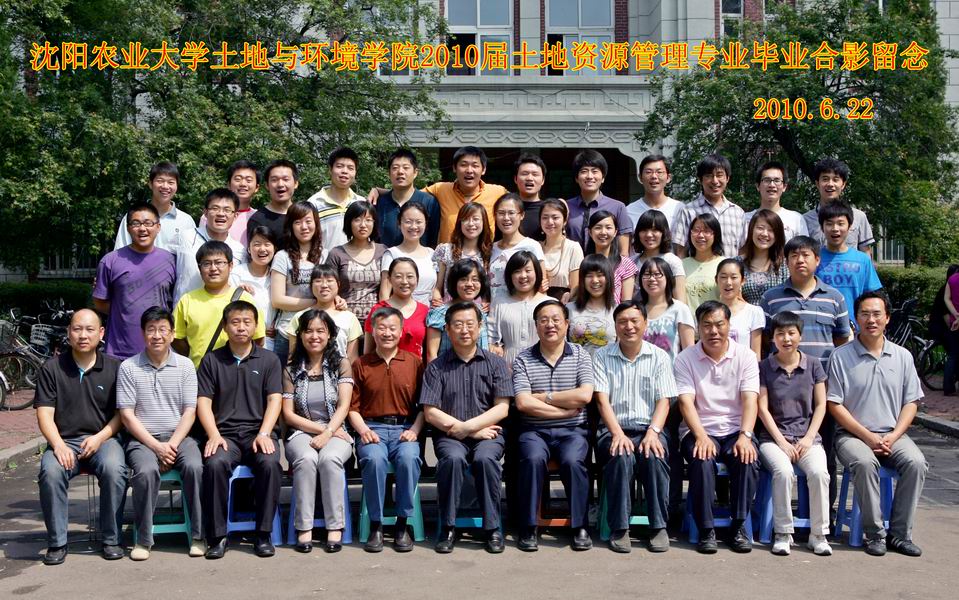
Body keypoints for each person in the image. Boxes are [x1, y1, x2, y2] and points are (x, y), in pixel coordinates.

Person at [760, 235, 851, 531]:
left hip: (821, 391)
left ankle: (822, 519)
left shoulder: (834, 298)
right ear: (786, 261)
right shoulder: (771, 298)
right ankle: (780, 522)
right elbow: (764, 340)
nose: (800, 260)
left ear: (817, 260)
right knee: (780, 458)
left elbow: (841, 340)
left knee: (823, 457)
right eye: (794, 256)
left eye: (806, 255)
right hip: (780, 391)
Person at [827, 291, 928, 557]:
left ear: (887, 318)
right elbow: (835, 405)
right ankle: (875, 534)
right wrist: (867, 436)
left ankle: (900, 535)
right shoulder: (841, 356)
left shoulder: (903, 356)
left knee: (916, 463)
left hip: (893, 434)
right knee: (864, 463)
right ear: (856, 318)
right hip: (852, 436)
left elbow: (911, 402)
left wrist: (894, 435)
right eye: (864, 314)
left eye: (876, 314)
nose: (871, 320)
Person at [35, 310, 126, 565]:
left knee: (115, 469)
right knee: (50, 472)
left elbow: (121, 415)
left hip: (104, 439)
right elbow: (44, 414)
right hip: (64, 441)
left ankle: (111, 539)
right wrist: (58, 445)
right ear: (68, 332)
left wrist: (100, 438)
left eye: (89, 329)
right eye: (77, 329)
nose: (83, 335)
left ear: (101, 333)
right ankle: (57, 542)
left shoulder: (115, 368)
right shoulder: (52, 368)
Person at [420, 301, 512, 554]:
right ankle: (448, 527)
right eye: (458, 325)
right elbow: (430, 412)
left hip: (489, 434)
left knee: (485, 460)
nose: (464, 330)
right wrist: (466, 430)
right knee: (452, 460)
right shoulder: (436, 367)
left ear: (480, 327)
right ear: (447, 329)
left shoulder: (495, 363)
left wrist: (469, 428)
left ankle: (492, 527)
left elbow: (502, 408)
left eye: (470, 324)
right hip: (450, 435)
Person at [197, 300, 283, 559]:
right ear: (225, 327)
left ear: (256, 326)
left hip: (259, 432)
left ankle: (263, 534)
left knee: (270, 463)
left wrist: (265, 433)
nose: (241, 327)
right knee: (214, 464)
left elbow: (275, 399)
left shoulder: (269, 360)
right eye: (235, 322)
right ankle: (217, 536)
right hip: (225, 436)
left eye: (247, 322)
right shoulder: (212, 360)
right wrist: (213, 434)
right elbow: (203, 402)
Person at [118, 306, 204, 560]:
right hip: (143, 440)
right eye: (151, 330)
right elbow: (127, 415)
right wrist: (157, 447)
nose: (157, 335)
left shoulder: (185, 366)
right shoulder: (128, 367)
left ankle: (199, 536)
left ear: (172, 333)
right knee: (145, 472)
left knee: (195, 467)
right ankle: (144, 540)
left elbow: (190, 411)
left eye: (163, 329)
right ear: (143, 333)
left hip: (179, 437)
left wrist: (171, 446)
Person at [675, 300, 760, 554]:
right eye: (707, 325)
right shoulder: (685, 358)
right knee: (702, 459)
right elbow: (685, 402)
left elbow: (750, 400)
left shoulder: (745, 356)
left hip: (736, 429)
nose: (713, 331)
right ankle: (706, 528)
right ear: (698, 328)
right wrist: (701, 436)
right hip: (699, 428)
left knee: (747, 458)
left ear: (729, 325)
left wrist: (745, 435)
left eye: (719, 324)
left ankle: (739, 525)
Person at [593, 300, 675, 553]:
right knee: (621, 455)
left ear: (645, 324)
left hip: (650, 428)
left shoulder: (659, 356)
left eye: (634, 321)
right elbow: (602, 401)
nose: (628, 326)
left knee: (654, 455)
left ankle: (658, 526)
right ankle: (619, 527)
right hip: (613, 429)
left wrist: (653, 432)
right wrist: (617, 433)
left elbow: (664, 401)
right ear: (615, 326)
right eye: (622, 322)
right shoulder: (602, 356)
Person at [513, 300, 595, 552]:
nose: (550, 325)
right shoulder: (523, 358)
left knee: (573, 461)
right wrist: (564, 410)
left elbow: (584, 395)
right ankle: (528, 526)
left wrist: (545, 397)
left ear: (566, 324)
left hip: (573, 431)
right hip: (534, 431)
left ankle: (580, 526)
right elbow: (523, 403)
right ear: (536, 326)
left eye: (556, 319)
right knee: (532, 459)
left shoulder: (580, 354)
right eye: (544, 320)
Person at [349, 306, 425, 553]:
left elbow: (425, 406)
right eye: (381, 328)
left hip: (405, 428)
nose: (387, 333)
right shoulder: (361, 364)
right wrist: (363, 431)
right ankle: (376, 524)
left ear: (401, 331)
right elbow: (351, 407)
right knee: (373, 460)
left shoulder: (414, 363)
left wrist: (415, 430)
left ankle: (403, 524)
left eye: (392, 328)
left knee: (409, 458)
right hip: (372, 428)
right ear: (372, 331)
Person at [755, 311, 831, 556]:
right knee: (784, 472)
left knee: (819, 473)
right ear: (772, 338)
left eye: (791, 333)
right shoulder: (764, 367)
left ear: (800, 335)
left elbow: (821, 405)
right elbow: (762, 409)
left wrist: (808, 438)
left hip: (808, 439)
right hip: (773, 440)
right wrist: (782, 442)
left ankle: (818, 535)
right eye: (780, 334)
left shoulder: (814, 365)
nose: (786, 339)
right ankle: (783, 533)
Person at [281, 309, 355, 554]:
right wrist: (322, 430)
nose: (314, 336)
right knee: (306, 458)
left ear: (330, 334)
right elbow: (289, 415)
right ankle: (304, 527)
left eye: (320, 331)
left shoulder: (341, 364)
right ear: (301, 335)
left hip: (337, 429)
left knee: (330, 458)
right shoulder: (291, 369)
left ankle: (335, 526)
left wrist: (330, 431)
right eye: (309, 331)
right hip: (301, 432)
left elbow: (344, 405)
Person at [636, 257, 695, 516]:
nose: (652, 279)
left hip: (671, 392)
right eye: (647, 274)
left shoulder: (679, 309)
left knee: (669, 447)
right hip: (638, 390)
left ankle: (671, 505)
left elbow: (689, 352)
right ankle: (647, 504)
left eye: (658, 274)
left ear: (668, 279)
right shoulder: (636, 309)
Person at [94, 202, 176, 360]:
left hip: (160, 351)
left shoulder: (170, 260)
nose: (142, 229)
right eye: (136, 223)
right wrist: (124, 310)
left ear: (158, 227)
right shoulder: (110, 261)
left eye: (148, 223)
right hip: (119, 352)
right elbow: (100, 302)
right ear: (128, 228)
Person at [172, 241, 265, 368]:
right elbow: (176, 338)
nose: (213, 268)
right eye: (206, 263)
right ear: (199, 268)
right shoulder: (187, 300)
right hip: (200, 373)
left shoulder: (245, 299)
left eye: (219, 262)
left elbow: (258, 339)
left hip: (237, 372)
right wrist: (195, 356)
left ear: (230, 266)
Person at [271, 201, 327, 366]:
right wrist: (316, 303)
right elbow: (278, 300)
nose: (304, 227)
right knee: (284, 379)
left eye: (308, 221)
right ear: (290, 226)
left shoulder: (325, 255)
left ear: (316, 224)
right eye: (298, 222)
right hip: (287, 332)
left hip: (318, 334)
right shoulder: (282, 257)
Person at [171, 188, 245, 304]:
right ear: (205, 212)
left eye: (227, 210)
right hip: (185, 309)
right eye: (215, 208)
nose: (221, 214)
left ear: (235, 216)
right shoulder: (185, 237)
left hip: (222, 312)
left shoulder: (240, 251)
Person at [816, 201, 883, 328]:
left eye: (840, 223)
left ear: (850, 226)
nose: (835, 229)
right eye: (829, 224)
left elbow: (872, 297)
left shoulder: (863, 260)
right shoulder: (814, 259)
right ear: (821, 227)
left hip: (856, 328)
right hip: (821, 329)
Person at [673, 154, 747, 259]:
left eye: (719, 175)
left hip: (730, 269)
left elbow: (743, 250)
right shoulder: (689, 211)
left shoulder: (738, 213)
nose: (715, 181)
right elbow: (680, 251)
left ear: (727, 178)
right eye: (709, 175)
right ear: (700, 179)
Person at [326, 201, 388, 325]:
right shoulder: (336, 253)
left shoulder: (383, 251)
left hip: (375, 322)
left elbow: (387, 289)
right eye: (357, 220)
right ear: (349, 223)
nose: (363, 225)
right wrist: (336, 298)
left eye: (368, 220)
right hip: (344, 320)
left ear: (374, 223)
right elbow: (327, 285)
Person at [286, 265, 363, 363]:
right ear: (311, 285)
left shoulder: (350, 318)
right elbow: (292, 358)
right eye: (318, 281)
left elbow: (352, 359)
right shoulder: (299, 317)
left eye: (329, 280)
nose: (324, 285)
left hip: (340, 371)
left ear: (338, 284)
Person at [114, 161, 196, 251]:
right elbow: (120, 253)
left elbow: (192, 255)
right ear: (150, 184)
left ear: (177, 186)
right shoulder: (133, 218)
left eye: (171, 182)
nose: (165, 186)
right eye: (160, 181)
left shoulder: (186, 221)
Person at [802, 158, 875, 257]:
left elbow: (865, 252)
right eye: (825, 179)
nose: (830, 184)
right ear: (817, 184)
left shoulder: (859, 217)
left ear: (843, 184)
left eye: (835, 179)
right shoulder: (805, 220)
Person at [565, 149, 632, 256]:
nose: (589, 176)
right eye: (584, 171)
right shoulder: (566, 207)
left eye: (595, 171)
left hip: (608, 265)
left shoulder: (618, 207)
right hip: (573, 265)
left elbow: (623, 252)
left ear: (603, 178)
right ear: (576, 178)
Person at [488, 250, 551, 365]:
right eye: (517, 271)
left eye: (528, 270)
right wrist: (495, 348)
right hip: (508, 366)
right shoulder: (499, 303)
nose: (523, 276)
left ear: (537, 272)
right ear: (510, 275)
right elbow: (491, 337)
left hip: (542, 366)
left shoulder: (549, 303)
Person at [374, 148, 441, 248]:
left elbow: (433, 238)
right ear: (389, 173)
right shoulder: (379, 202)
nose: (400, 172)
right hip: (385, 257)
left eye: (406, 168)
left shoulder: (429, 202)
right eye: (395, 168)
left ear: (415, 173)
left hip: (420, 257)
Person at [426, 259, 491, 361]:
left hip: (481, 369)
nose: (470, 284)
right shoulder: (439, 313)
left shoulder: (482, 311)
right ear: (454, 282)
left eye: (475, 279)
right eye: (463, 279)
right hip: (447, 369)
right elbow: (431, 354)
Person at [365, 258, 429, 358]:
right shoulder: (378, 310)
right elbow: (368, 352)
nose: (404, 281)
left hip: (417, 367)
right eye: (398, 276)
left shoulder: (425, 311)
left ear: (417, 279)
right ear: (389, 279)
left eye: (410, 276)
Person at [431, 201, 492, 306]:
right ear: (460, 223)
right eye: (466, 219)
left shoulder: (489, 253)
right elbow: (437, 287)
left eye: (476, 219)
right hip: (450, 310)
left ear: (484, 222)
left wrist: (487, 302)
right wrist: (438, 304)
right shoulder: (446, 250)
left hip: (478, 312)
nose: (471, 223)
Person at [307, 147, 366, 250]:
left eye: (350, 168)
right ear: (330, 170)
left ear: (355, 173)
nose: (345, 171)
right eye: (339, 166)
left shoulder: (361, 202)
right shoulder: (314, 203)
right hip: (323, 260)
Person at [489, 193, 547, 298]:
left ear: (522, 215)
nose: (506, 218)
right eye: (501, 213)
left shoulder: (532, 246)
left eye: (511, 213)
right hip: (494, 306)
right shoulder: (490, 249)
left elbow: (541, 287)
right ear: (495, 216)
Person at [379, 200, 436, 305]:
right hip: (400, 311)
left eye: (418, 222)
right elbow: (384, 294)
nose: (413, 226)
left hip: (430, 312)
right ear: (399, 224)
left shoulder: (432, 254)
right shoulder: (392, 254)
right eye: (408, 221)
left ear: (426, 224)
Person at [199, 160, 260, 254]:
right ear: (229, 185)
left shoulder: (259, 218)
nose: (243, 184)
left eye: (249, 180)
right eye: (238, 179)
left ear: (256, 187)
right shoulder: (210, 216)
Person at [232, 226, 277, 350]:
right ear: (249, 249)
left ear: (274, 248)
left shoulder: (277, 275)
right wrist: (239, 293)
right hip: (243, 342)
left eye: (267, 244)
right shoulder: (237, 274)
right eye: (257, 244)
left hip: (271, 343)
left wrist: (277, 325)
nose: (262, 249)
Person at [566, 254, 617, 358]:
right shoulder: (569, 309)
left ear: (608, 278)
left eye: (600, 275)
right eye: (589, 276)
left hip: (607, 366)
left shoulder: (617, 311)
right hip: (576, 367)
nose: (595, 280)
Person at [743, 161, 807, 243]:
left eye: (777, 180)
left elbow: (804, 248)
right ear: (758, 186)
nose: (772, 185)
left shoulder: (796, 219)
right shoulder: (745, 219)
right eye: (767, 180)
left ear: (784, 187)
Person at [632, 208, 686, 303]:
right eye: (644, 230)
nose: (649, 235)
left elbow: (681, 301)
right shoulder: (632, 262)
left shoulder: (673, 261)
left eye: (655, 230)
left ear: (663, 233)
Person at [716, 258, 765, 360]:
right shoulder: (708, 313)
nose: (728, 282)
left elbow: (756, 354)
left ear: (743, 281)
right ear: (716, 280)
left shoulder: (754, 312)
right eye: (723, 277)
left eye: (734, 277)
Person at [585, 210, 636, 304]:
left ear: (615, 232)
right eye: (598, 228)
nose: (603, 232)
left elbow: (626, 302)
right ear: (590, 232)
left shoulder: (625, 264)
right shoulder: (584, 262)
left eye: (608, 228)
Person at [740, 209, 790, 305]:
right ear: (751, 230)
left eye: (771, 230)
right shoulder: (737, 263)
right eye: (760, 228)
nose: (764, 234)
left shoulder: (785, 264)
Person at [246, 159, 299, 247]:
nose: (280, 184)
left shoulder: (303, 215)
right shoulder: (257, 220)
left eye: (286, 179)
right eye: (274, 180)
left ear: (296, 183)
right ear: (267, 185)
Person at [539, 198, 583, 303]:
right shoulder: (535, 247)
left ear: (565, 221)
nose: (550, 222)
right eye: (545, 218)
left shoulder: (573, 247)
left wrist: (569, 296)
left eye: (555, 217)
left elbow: (576, 287)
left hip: (564, 303)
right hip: (538, 303)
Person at [681, 213, 725, 314]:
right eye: (696, 230)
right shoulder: (681, 265)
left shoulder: (723, 264)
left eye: (706, 231)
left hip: (715, 321)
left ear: (715, 234)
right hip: (688, 323)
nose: (700, 235)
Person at [627, 154, 683, 230]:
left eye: (659, 172)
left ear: (668, 178)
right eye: (648, 172)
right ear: (640, 177)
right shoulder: (629, 211)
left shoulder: (680, 209)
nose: (654, 176)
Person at [514, 153, 548, 239]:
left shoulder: (548, 209)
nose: (529, 178)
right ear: (515, 179)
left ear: (543, 180)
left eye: (535, 174)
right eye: (524, 173)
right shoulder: (508, 208)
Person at [941, 265, 959, 396]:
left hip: (954, 323)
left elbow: (946, 298)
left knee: (953, 356)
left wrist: (955, 314)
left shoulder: (952, 279)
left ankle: (947, 387)